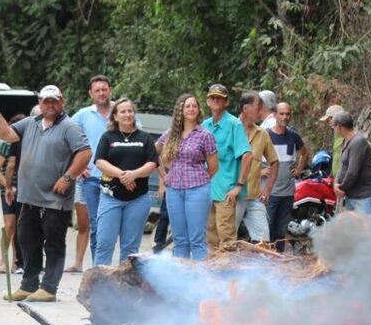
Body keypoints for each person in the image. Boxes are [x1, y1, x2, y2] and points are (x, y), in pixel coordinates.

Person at [0, 85, 90, 302]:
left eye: (54, 101)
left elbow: (84, 152)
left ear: (62, 101)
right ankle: (28, 284)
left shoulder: (69, 126)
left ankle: (49, 288)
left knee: (53, 243)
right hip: (29, 197)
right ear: (40, 102)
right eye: (46, 101)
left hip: (55, 199)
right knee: (27, 241)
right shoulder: (30, 123)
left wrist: (68, 177)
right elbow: (6, 134)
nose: (50, 105)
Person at [92, 98, 159, 265]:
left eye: (130, 111)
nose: (127, 114)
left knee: (130, 248)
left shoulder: (145, 138)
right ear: (115, 116)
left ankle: (124, 287)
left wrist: (134, 174)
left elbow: (152, 163)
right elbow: (100, 162)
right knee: (105, 243)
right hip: (111, 198)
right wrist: (123, 175)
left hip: (138, 200)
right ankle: (99, 286)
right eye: (123, 111)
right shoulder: (108, 137)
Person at [156, 94, 217, 260]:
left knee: (197, 239)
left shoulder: (205, 135)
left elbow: (213, 167)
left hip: (197, 190)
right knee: (180, 239)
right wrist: (163, 175)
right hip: (174, 190)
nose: (191, 109)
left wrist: (199, 180)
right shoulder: (170, 134)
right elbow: (153, 153)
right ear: (181, 111)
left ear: (198, 110)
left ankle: (199, 281)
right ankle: (181, 281)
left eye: (194, 106)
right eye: (187, 106)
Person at [68, 75, 114, 273]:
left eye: (104, 89)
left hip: (117, 179)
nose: (101, 93)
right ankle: (98, 269)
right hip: (91, 179)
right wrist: (76, 166)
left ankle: (112, 267)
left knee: (112, 226)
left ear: (110, 90)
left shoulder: (121, 112)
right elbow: (66, 139)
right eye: (97, 90)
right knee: (96, 224)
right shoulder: (82, 115)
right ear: (90, 93)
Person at [202, 84, 252, 249]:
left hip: (226, 191)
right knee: (209, 237)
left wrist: (239, 186)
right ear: (208, 101)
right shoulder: (204, 125)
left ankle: (227, 274)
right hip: (206, 189)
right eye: (213, 97)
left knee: (226, 238)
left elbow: (247, 155)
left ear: (226, 102)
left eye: (220, 98)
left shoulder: (234, 124)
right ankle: (210, 274)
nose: (216, 100)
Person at [235, 91, 278, 242]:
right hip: (233, 196)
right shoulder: (230, 128)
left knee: (263, 240)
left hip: (254, 196)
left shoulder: (262, 133)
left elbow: (274, 161)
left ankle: (259, 265)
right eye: (257, 107)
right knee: (226, 238)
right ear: (245, 109)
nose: (260, 112)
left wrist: (267, 189)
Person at [266, 101, 308, 251]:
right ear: (275, 115)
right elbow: (251, 157)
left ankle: (278, 260)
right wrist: (259, 171)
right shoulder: (266, 135)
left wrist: (299, 169)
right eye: (281, 113)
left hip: (287, 192)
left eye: (287, 114)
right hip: (269, 192)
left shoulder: (293, 136)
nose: (285, 117)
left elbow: (305, 153)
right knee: (267, 228)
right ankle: (265, 260)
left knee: (281, 229)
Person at [331, 111, 371, 214]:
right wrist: (336, 184)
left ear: (340, 127)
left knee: (366, 229)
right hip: (352, 196)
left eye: (333, 126)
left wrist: (341, 188)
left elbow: (352, 172)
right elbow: (343, 166)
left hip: (363, 197)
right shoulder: (347, 141)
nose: (333, 129)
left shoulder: (358, 142)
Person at [0, 114, 25, 274]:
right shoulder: (6, 145)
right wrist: (7, 186)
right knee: (9, 225)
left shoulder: (27, 143)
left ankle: (16, 260)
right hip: (7, 190)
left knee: (20, 226)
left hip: (23, 189)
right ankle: (3, 260)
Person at [317, 104, 346, 178]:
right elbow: (337, 156)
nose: (328, 123)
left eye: (329, 119)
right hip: (337, 178)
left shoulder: (348, 134)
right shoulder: (337, 134)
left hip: (345, 178)